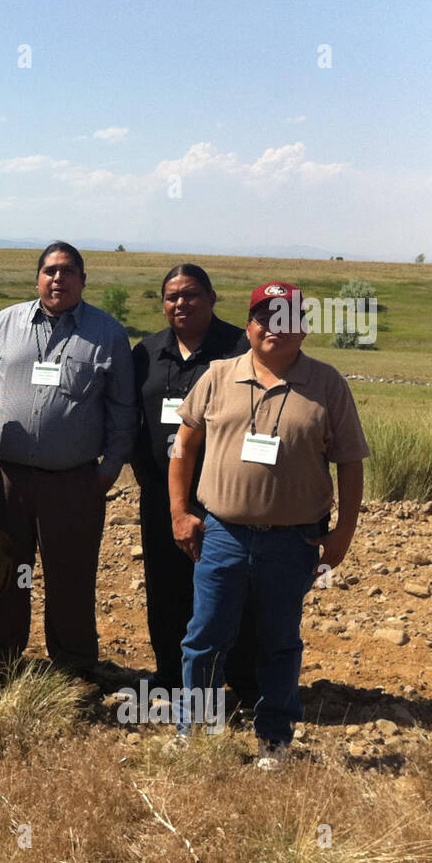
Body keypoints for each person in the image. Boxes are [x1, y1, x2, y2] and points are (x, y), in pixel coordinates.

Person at [170, 281, 369, 771]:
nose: (273, 328)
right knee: (205, 637)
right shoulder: (218, 376)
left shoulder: (327, 384)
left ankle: (274, 741)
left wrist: (343, 531)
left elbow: (350, 461)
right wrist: (179, 511)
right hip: (223, 534)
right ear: (249, 325)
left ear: (302, 327)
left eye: (286, 318)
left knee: (280, 642)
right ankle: (194, 731)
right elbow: (183, 447)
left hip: (293, 540)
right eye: (264, 317)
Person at [0, 241, 135, 673]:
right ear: (38, 277)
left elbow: (124, 410)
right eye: (49, 270)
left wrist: (107, 471)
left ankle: (74, 663)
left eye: (67, 271)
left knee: (71, 575)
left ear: (83, 279)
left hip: (73, 481)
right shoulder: (6, 322)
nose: (57, 278)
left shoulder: (108, 333)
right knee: (4, 569)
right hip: (6, 476)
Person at [131, 263, 259, 702]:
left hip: (223, 496)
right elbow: (131, 421)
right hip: (163, 495)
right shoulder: (146, 352)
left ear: (212, 298)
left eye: (191, 295)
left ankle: (237, 683)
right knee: (165, 585)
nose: (180, 303)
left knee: (227, 588)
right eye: (172, 296)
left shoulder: (240, 350)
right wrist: (150, 480)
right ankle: (171, 675)